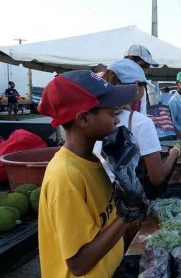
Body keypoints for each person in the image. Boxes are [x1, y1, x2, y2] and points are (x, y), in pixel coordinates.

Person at [37, 70, 145, 277]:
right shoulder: (65, 176)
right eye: (111, 113)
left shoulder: (93, 159)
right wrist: (127, 216)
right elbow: (78, 264)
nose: (116, 121)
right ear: (84, 119)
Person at [97, 58, 181, 193]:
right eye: (145, 86)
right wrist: (175, 153)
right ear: (137, 86)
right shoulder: (141, 122)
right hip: (122, 203)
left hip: (96, 196)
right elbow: (157, 178)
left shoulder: (95, 117)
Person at [124, 44, 160, 108]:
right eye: (143, 66)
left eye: (148, 67)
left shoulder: (142, 84)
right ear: (129, 61)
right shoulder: (113, 85)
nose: (146, 71)